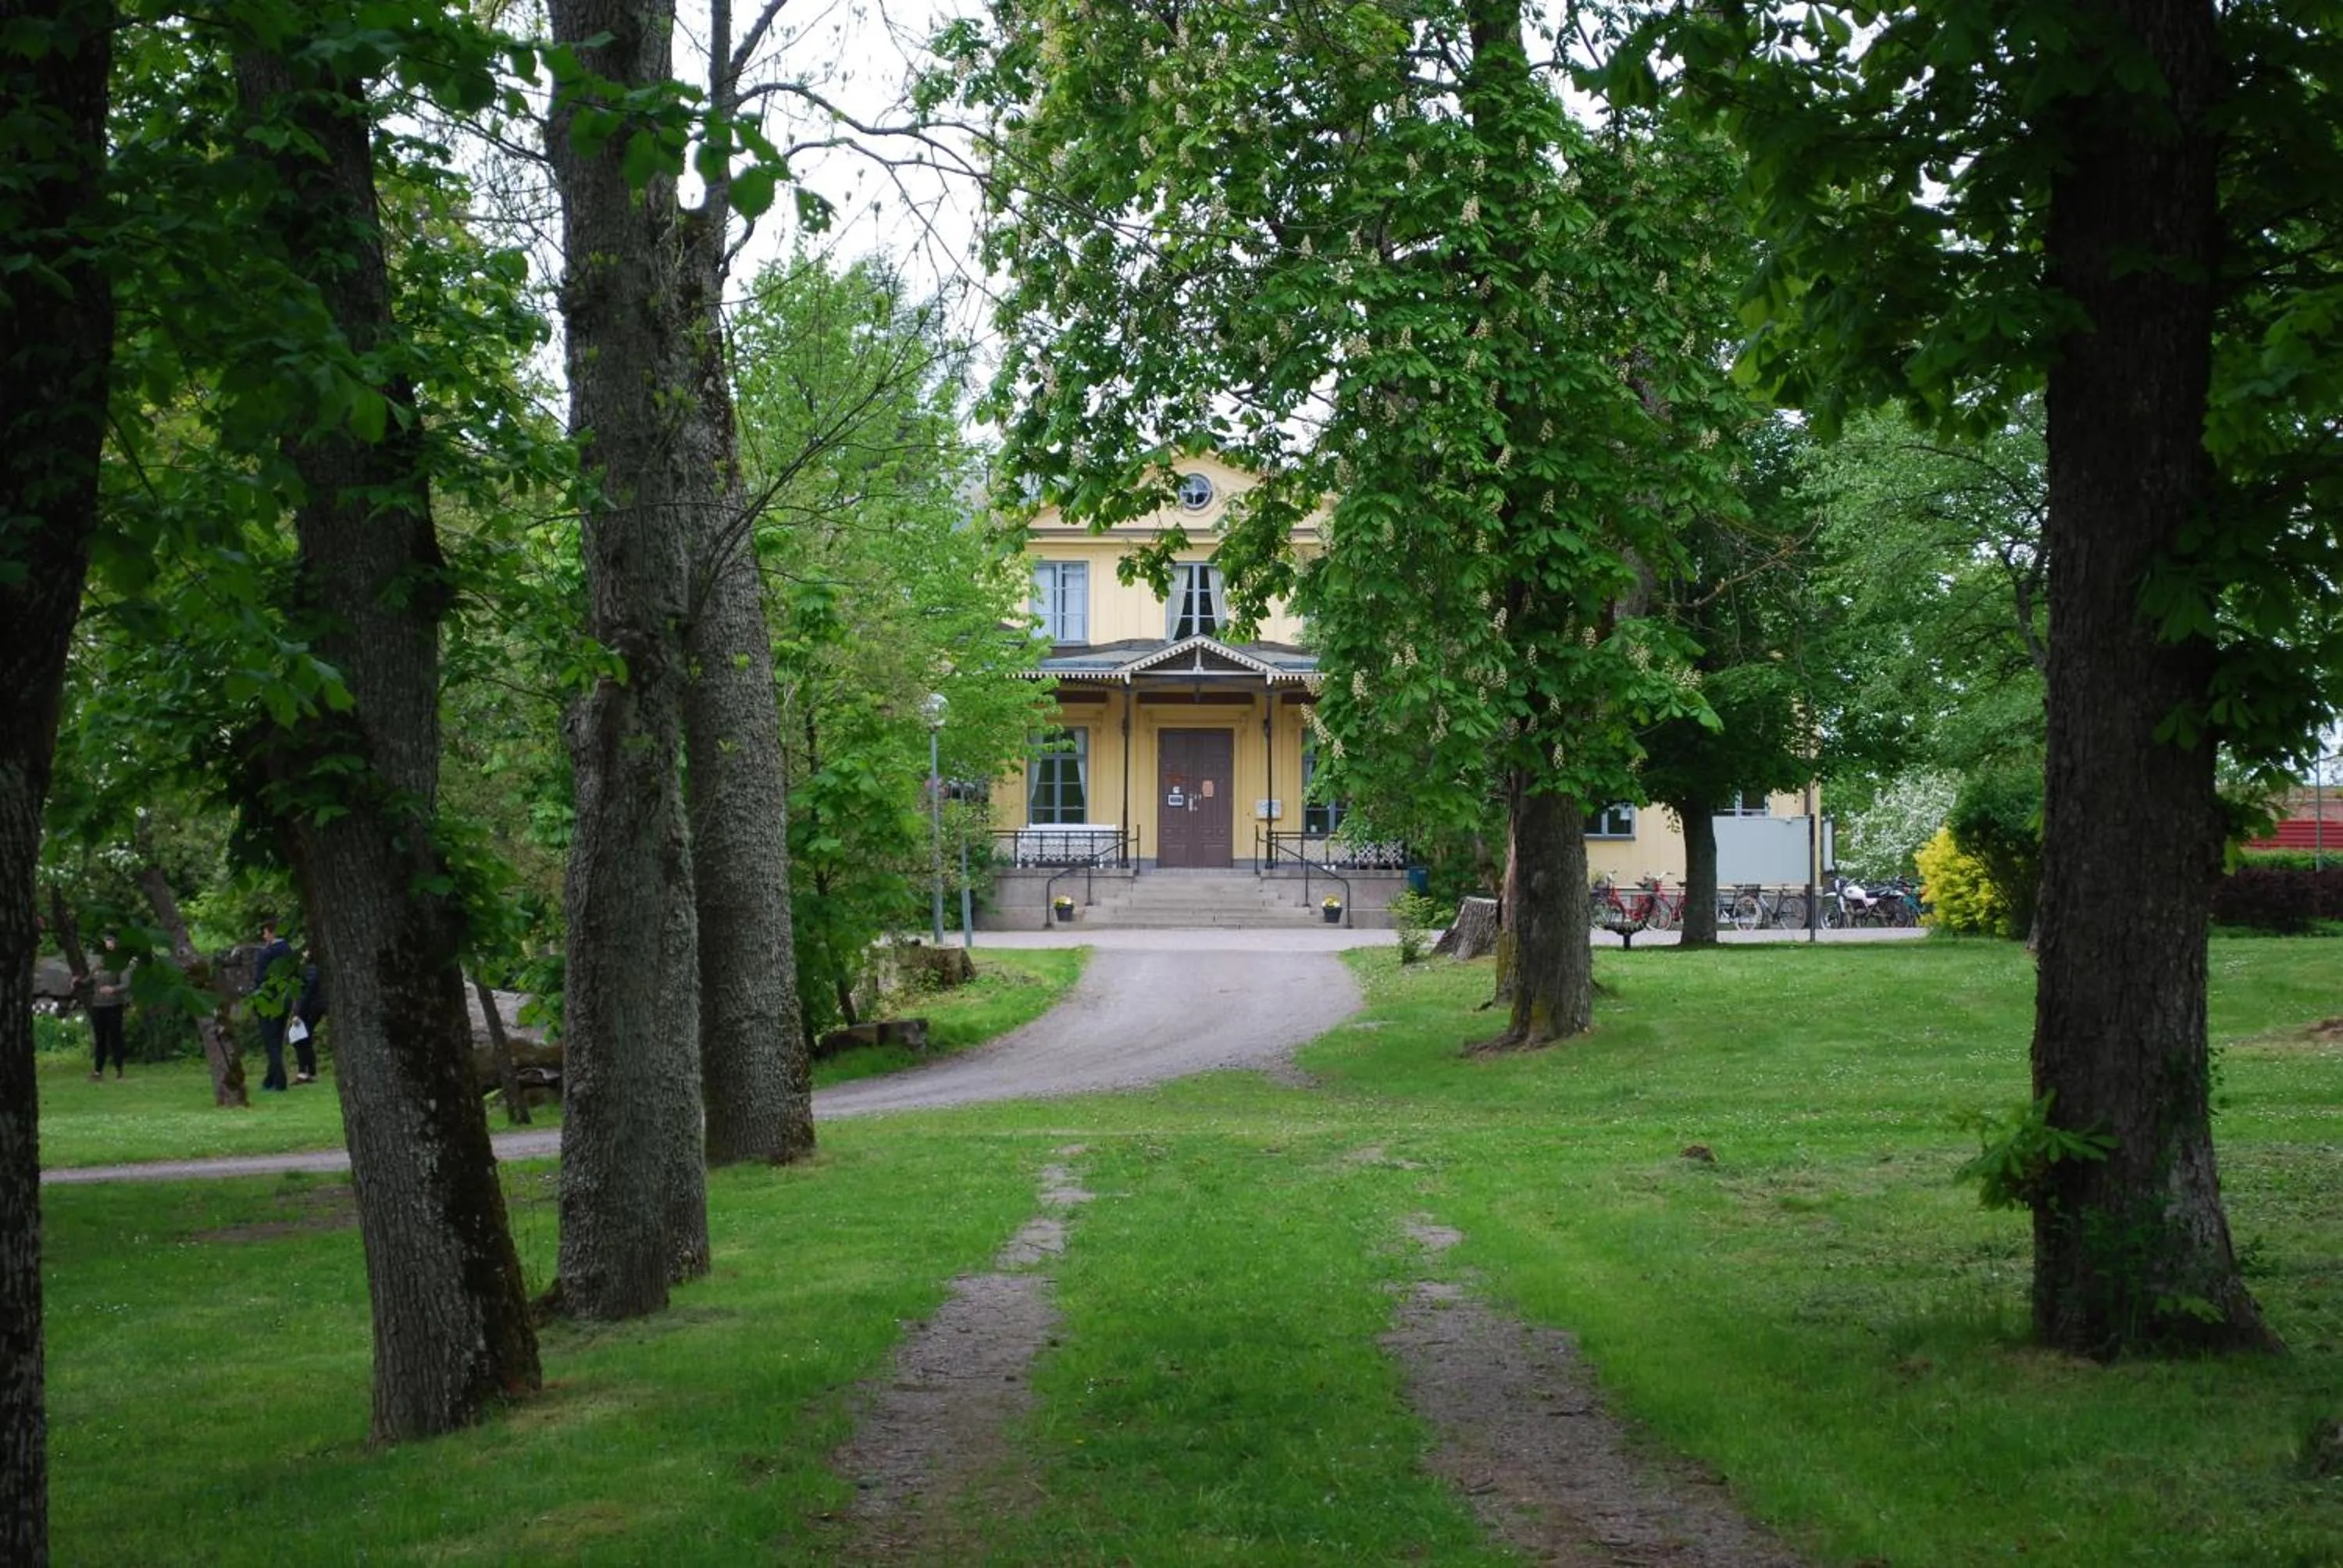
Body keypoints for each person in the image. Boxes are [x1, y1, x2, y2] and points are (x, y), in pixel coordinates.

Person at [251, 922, 296, 1092]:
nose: (264, 937)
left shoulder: (267, 953)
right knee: (276, 1039)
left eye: (265, 933)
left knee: (271, 1042)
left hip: (268, 1001)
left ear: (271, 933)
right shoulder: (288, 951)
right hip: (284, 999)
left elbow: (260, 978)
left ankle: (279, 1081)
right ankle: (269, 1079)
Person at [87, 932, 130, 1082]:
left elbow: (126, 984)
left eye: (111, 942)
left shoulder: (120, 964)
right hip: (98, 1005)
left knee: (115, 1038)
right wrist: (78, 981)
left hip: (114, 1005)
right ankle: (98, 1071)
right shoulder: (96, 963)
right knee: (100, 1039)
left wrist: (113, 990)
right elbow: (89, 981)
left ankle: (120, 1072)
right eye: (106, 942)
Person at [291, 951, 326, 1085]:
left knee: (301, 1039)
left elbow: (306, 994)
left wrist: (298, 1013)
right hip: (313, 1007)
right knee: (305, 1038)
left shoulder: (310, 971)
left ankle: (305, 1072)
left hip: (310, 1009)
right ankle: (309, 1071)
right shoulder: (312, 970)